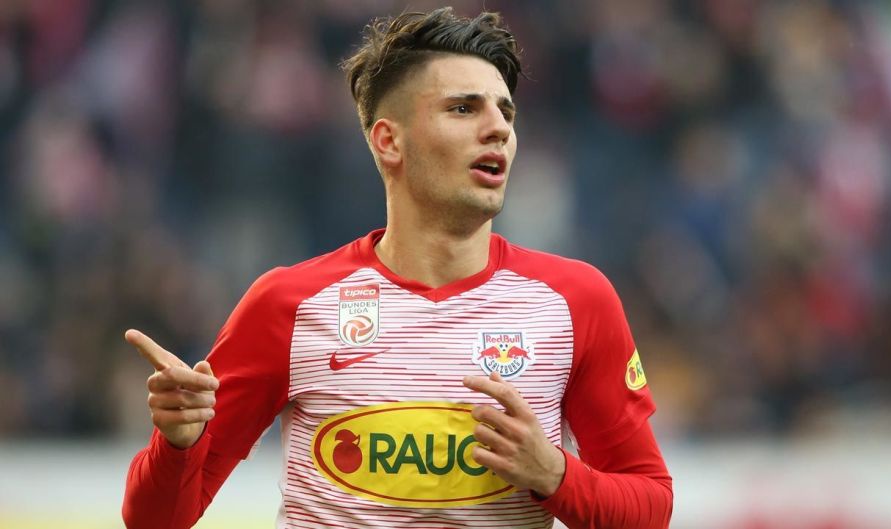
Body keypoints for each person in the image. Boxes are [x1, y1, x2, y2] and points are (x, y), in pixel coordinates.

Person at [122, 7, 673, 529]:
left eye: (505, 112)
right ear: (389, 141)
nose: (499, 129)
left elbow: (651, 507)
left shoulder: (575, 300)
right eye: (464, 109)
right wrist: (177, 444)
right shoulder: (289, 305)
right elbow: (154, 521)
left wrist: (556, 476)